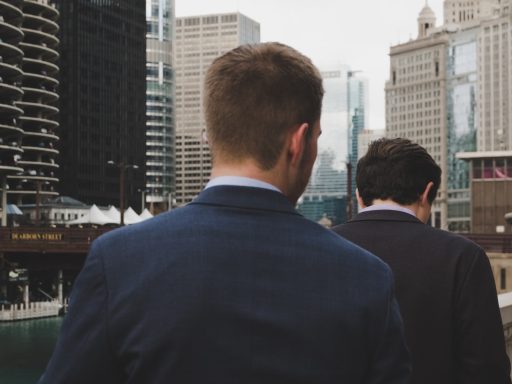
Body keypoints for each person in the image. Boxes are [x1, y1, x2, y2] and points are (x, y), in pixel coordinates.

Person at [39, 43, 410, 383]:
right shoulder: (366, 278)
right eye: (316, 138)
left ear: (211, 137)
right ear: (298, 142)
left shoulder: (117, 260)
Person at [333, 137, 511, 384]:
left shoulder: (320, 250)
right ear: (427, 192)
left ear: (359, 196)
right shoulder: (462, 257)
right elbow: (487, 370)